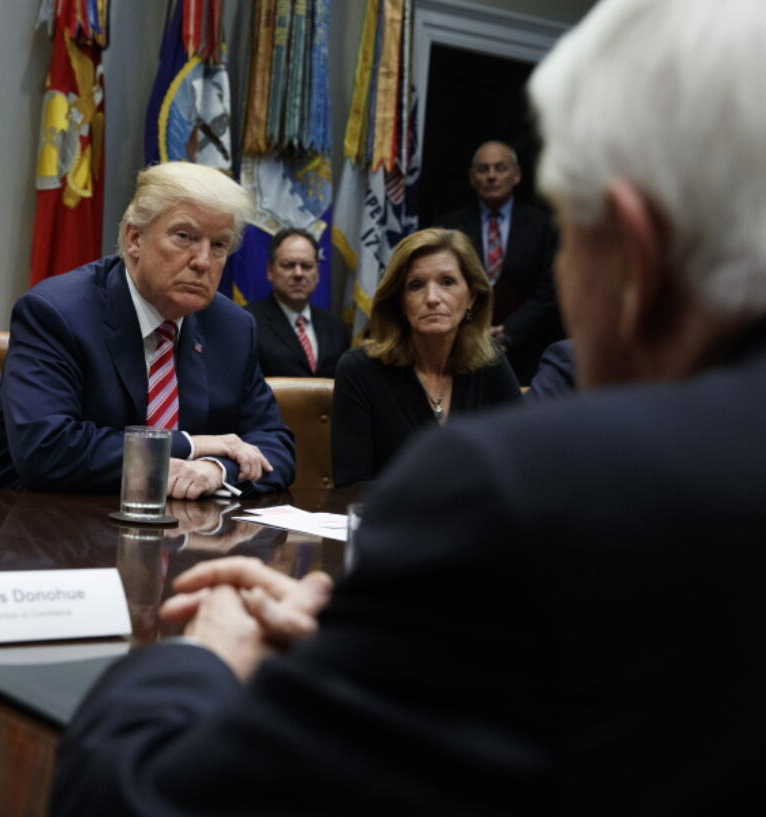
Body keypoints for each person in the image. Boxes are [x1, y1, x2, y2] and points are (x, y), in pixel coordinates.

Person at [51, 0, 766, 813]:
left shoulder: (522, 489)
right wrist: (371, 639)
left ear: (634, 253)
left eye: (571, 235)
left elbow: (131, 796)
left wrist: (207, 650)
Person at [0, 162, 294, 498]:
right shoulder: (56, 313)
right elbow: (48, 450)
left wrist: (216, 470)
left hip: (184, 537)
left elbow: (275, 445)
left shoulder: (233, 327)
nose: (202, 261)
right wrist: (189, 446)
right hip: (42, 527)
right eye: (185, 237)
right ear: (135, 238)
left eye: (219, 246)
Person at [330, 228, 521, 486]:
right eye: (416, 286)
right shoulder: (359, 370)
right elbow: (352, 485)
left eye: (447, 282)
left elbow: (524, 465)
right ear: (399, 302)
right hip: (392, 524)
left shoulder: (490, 364)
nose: (432, 298)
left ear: (472, 297)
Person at [436, 140, 561, 383]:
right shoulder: (448, 226)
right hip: (461, 349)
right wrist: (472, 329)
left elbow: (551, 289)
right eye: (483, 169)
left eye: (500, 168)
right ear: (472, 178)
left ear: (516, 175)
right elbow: (441, 283)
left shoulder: (545, 225)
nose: (491, 176)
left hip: (529, 351)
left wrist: (509, 332)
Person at [245, 228, 350, 377]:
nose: (298, 274)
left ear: (318, 273)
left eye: (306, 266)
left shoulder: (336, 327)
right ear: (270, 271)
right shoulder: (248, 323)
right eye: (288, 265)